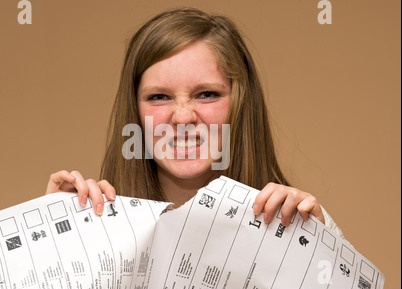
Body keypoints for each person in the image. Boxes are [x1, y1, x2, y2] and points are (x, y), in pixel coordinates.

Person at [45, 7, 343, 237]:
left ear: (241, 105)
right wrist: (53, 240)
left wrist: (319, 247)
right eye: (160, 97)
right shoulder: (94, 225)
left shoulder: (303, 224)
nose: (184, 117)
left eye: (207, 94)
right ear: (134, 112)